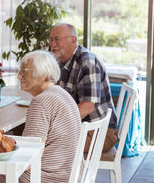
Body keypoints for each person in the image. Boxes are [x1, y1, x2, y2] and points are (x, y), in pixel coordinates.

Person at [0, 50, 81, 183]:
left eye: (24, 71)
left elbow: (30, 155)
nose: (19, 76)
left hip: (47, 180)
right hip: (69, 176)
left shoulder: (41, 101)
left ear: (43, 74)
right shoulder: (62, 93)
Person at [49, 23, 118, 152]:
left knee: (48, 145)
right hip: (80, 127)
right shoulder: (59, 62)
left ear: (73, 40)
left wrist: (55, 127)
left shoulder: (87, 62)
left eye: (57, 39)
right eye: (51, 40)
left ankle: (55, 172)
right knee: (31, 135)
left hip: (100, 132)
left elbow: (87, 107)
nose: (52, 44)